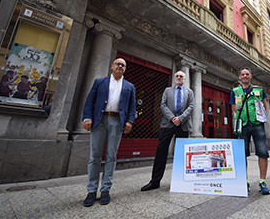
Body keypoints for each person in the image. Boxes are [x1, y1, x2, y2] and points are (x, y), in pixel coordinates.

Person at [82, 58, 136, 207]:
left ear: (125, 69)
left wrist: (130, 121)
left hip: (117, 121)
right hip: (99, 120)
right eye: (118, 64)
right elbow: (89, 101)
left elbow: (132, 106)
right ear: (112, 66)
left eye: (123, 65)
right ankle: (91, 191)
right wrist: (87, 117)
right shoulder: (100, 82)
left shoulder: (129, 86)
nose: (120, 66)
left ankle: (105, 190)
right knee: (95, 157)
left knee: (111, 156)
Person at [141, 71, 194, 191]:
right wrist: (172, 118)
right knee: (161, 153)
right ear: (174, 78)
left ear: (184, 79)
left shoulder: (189, 92)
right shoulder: (167, 90)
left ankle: (180, 181)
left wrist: (180, 119)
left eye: (181, 76)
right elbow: (162, 105)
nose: (179, 78)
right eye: (177, 76)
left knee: (181, 155)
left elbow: (191, 106)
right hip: (167, 125)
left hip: (183, 125)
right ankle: (155, 181)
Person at [230, 67, 270, 195]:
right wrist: (243, 117)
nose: (245, 76)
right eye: (242, 74)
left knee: (262, 152)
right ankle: (244, 181)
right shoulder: (235, 91)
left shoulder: (259, 90)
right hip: (243, 125)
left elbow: (264, 105)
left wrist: (255, 116)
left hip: (258, 124)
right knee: (242, 153)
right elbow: (234, 108)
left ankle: (263, 181)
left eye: (247, 74)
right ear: (240, 77)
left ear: (251, 76)